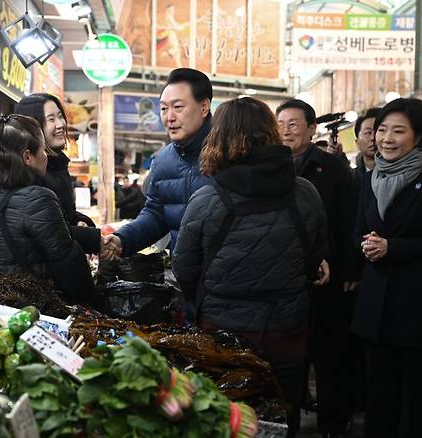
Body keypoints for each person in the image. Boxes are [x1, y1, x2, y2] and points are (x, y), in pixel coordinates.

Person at [173, 97, 328, 438]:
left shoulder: (207, 198)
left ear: (220, 137)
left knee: (225, 422)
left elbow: (184, 266)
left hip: (224, 333)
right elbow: (315, 255)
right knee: (283, 417)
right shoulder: (306, 192)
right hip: (287, 328)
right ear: (271, 134)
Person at [276, 99, 360, 438]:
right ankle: (288, 417)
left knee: (328, 354)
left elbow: (350, 220)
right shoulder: (271, 169)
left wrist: (351, 269)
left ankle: (333, 421)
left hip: (329, 275)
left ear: (312, 129)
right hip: (287, 279)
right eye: (280, 123)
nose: (286, 130)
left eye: (294, 124)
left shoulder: (333, 168)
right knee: (292, 355)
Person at [353, 98, 422, 438]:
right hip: (375, 306)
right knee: (378, 395)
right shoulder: (369, 179)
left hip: (413, 307)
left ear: (418, 137)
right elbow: (356, 231)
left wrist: (392, 247)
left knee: (412, 400)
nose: (387, 138)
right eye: (382, 130)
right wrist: (364, 246)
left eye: (399, 131)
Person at [0, 114, 94, 302]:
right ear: (28, 157)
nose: (46, 155)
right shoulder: (38, 198)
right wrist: (94, 302)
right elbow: (68, 262)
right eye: (43, 150)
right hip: (29, 305)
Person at [104, 68, 214, 258]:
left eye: (178, 107)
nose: (169, 117)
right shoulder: (162, 161)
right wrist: (122, 239)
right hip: (184, 275)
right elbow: (156, 215)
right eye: (164, 108)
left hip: (227, 276)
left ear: (204, 107)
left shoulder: (227, 153)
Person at [15, 93, 103, 256]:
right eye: (51, 119)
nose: (60, 124)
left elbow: (64, 214)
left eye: (60, 116)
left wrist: (80, 221)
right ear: (33, 128)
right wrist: (97, 240)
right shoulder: (29, 174)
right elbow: (48, 230)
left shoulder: (58, 164)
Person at [353, 107, 381, 190]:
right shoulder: (350, 178)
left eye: (379, 131)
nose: (373, 137)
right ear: (357, 141)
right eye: (367, 132)